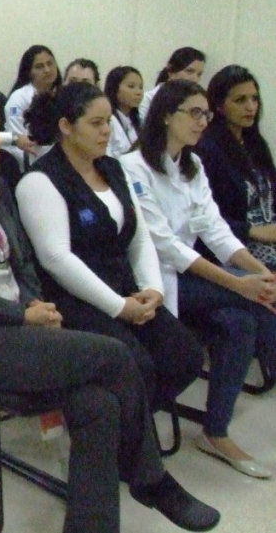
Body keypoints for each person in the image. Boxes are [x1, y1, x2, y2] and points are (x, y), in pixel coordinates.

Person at [0, 87, 220, 533]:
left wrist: (33, 302)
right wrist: (21, 316)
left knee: (97, 403)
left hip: (11, 324)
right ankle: (151, 479)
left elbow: (23, 261)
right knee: (114, 355)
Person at [120, 79, 276, 479]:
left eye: (206, 113)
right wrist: (240, 284)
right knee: (255, 303)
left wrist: (258, 272)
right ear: (167, 116)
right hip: (151, 279)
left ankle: (215, 432)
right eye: (195, 112)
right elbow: (167, 246)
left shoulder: (192, 166)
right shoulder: (132, 166)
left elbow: (216, 230)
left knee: (240, 324)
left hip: (188, 277)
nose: (203, 121)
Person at [16, 82, 201, 412]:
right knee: (136, 367)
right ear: (66, 127)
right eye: (96, 123)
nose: (106, 132)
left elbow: (139, 237)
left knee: (185, 356)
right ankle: (130, 445)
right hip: (74, 300)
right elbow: (56, 259)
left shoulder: (112, 168)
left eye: (108, 122)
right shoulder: (40, 180)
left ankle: (130, 427)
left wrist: (153, 289)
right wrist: (118, 307)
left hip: (125, 289)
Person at [195, 65, 276, 271]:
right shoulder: (207, 149)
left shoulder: (255, 143)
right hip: (238, 247)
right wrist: (254, 231)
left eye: (254, 99)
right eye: (240, 100)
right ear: (219, 106)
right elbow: (203, 217)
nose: (250, 107)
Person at [4, 44, 61, 165]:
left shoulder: (63, 94)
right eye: (39, 67)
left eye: (50, 63)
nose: (47, 70)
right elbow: (18, 139)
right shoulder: (18, 99)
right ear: (29, 72)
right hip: (26, 160)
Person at [139, 47, 205, 120]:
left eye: (199, 74)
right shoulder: (147, 99)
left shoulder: (195, 102)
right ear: (170, 71)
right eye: (189, 71)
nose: (195, 79)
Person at [104, 66, 144, 157]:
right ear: (115, 89)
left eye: (141, 87)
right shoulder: (108, 121)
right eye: (131, 86)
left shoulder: (137, 122)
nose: (138, 92)